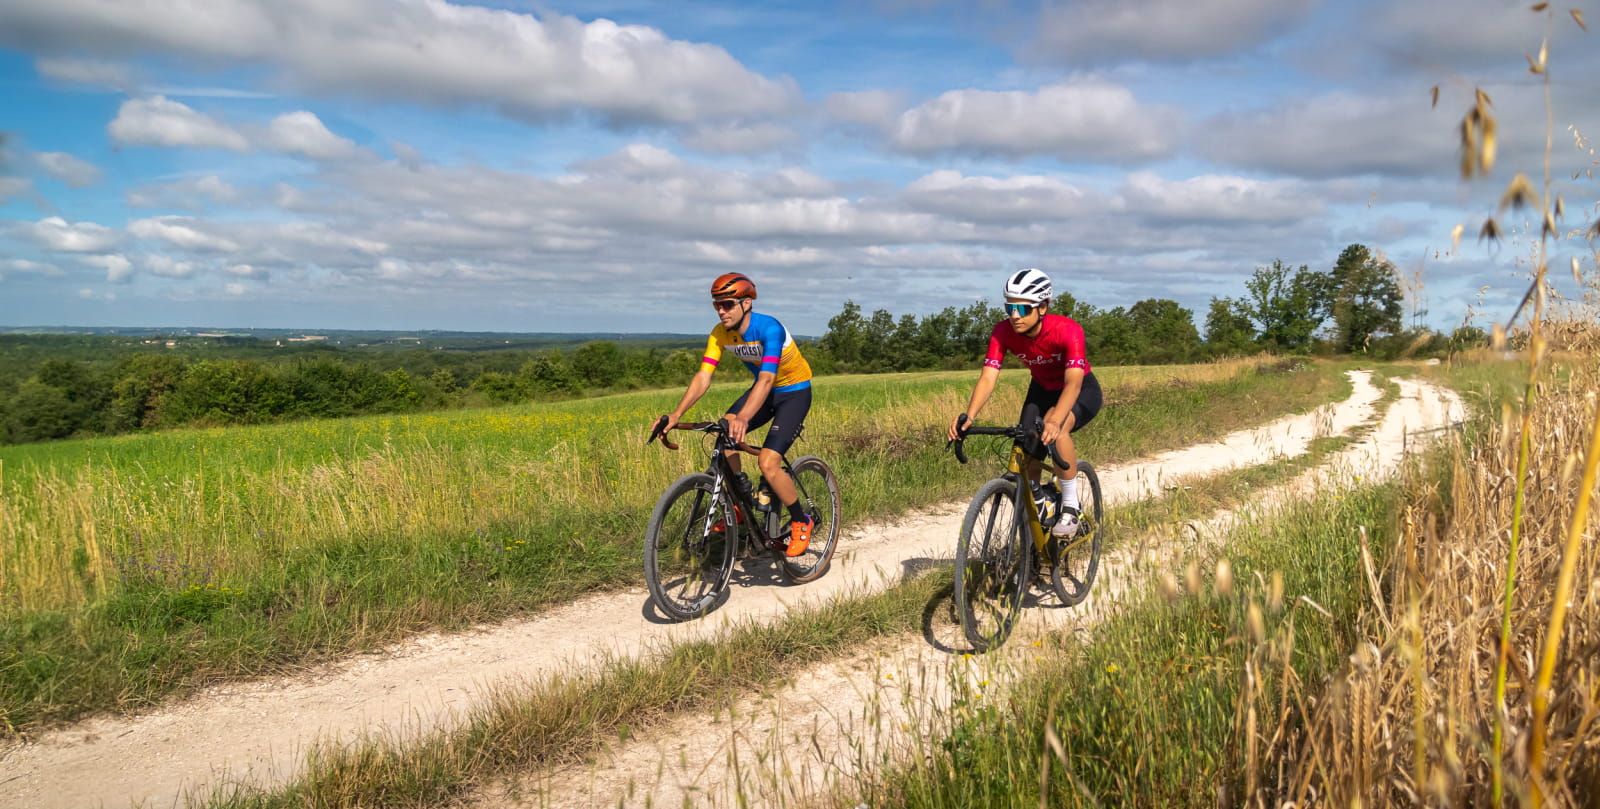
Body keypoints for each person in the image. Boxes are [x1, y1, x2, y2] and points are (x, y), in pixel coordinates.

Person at [657, 273, 817, 555]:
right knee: (724, 430)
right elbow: (703, 376)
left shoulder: (769, 328)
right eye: (716, 304)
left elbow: (767, 379)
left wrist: (744, 417)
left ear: (746, 303)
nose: (721, 310)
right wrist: (676, 414)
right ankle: (739, 504)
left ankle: (800, 520)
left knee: (768, 463)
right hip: (764, 391)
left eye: (728, 304)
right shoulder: (720, 333)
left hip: (793, 392)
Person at [946, 268, 1103, 535]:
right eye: (1010, 308)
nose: (1015, 316)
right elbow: (988, 377)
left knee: (1057, 429)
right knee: (1025, 444)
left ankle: (1069, 505)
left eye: (1022, 308)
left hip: (1080, 389)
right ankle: (1038, 503)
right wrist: (969, 416)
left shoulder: (1068, 330)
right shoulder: (1002, 331)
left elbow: (1074, 382)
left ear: (1043, 307)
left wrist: (1054, 419)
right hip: (1041, 389)